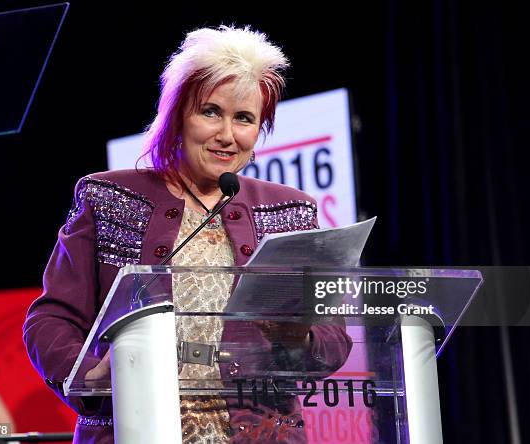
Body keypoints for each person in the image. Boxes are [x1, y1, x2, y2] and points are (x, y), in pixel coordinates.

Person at [23, 25, 352, 444]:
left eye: (245, 119)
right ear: (178, 114)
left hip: (261, 431)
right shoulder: (107, 196)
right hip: (135, 427)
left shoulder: (291, 211)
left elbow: (334, 335)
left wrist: (300, 339)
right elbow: (51, 318)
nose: (227, 135)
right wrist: (89, 373)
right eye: (211, 111)